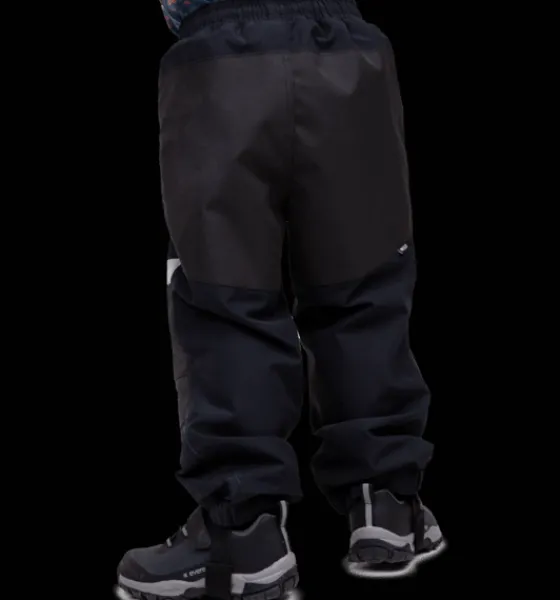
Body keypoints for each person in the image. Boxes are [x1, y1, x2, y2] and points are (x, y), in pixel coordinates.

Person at [116, 0, 445, 598]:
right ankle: (387, 502)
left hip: (220, 62)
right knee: (362, 284)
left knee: (226, 297)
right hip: (347, 53)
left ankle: (242, 533)